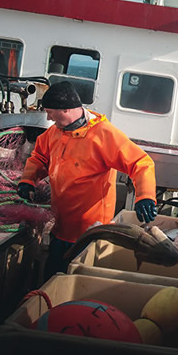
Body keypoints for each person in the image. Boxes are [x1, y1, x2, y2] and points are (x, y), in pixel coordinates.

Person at [17, 81, 158, 279]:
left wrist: (145, 196)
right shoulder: (54, 132)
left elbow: (140, 162)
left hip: (90, 233)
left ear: (66, 109)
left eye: (50, 112)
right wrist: (28, 180)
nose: (48, 117)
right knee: (52, 277)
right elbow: (40, 157)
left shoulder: (104, 135)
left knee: (76, 279)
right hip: (60, 227)